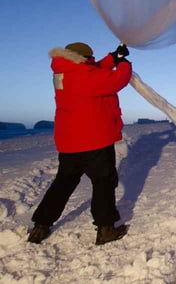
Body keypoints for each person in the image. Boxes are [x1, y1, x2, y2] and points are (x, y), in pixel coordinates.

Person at [27, 42, 132, 245]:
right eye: (90, 59)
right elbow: (116, 80)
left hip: (69, 143)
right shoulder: (86, 76)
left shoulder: (63, 73)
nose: (91, 62)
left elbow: (91, 72)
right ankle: (106, 229)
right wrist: (124, 64)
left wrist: (112, 58)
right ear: (84, 59)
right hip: (95, 142)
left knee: (63, 183)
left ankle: (41, 225)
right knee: (104, 183)